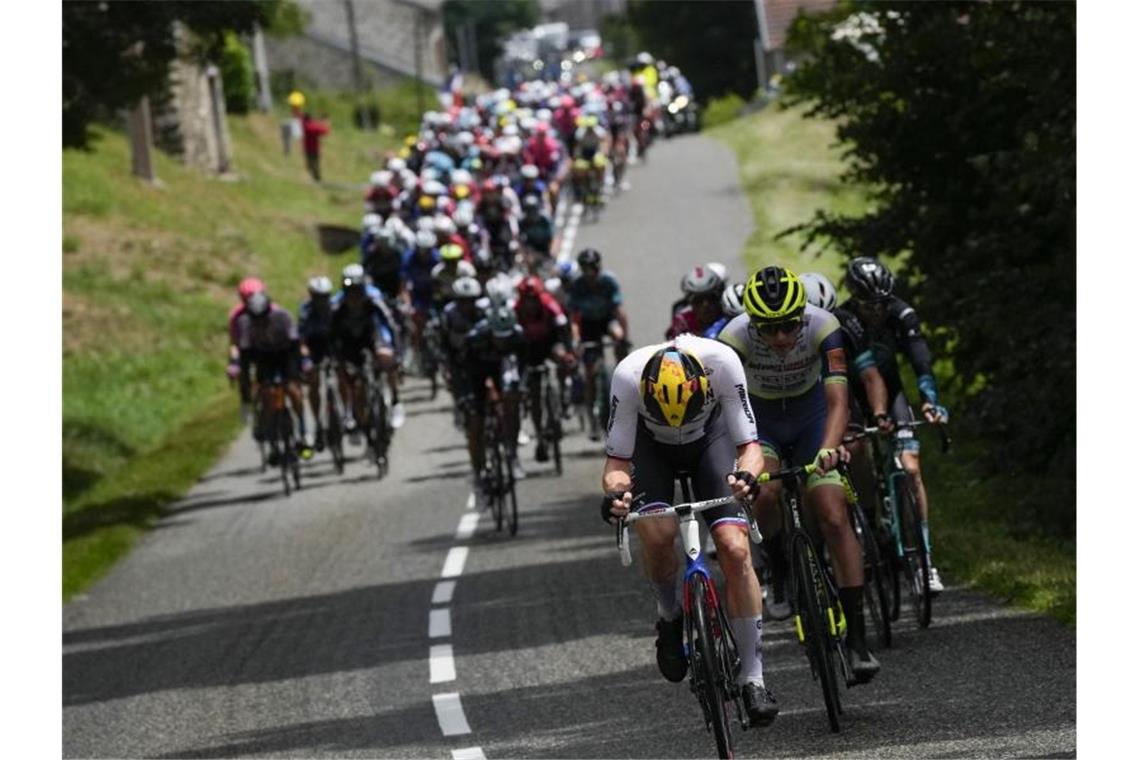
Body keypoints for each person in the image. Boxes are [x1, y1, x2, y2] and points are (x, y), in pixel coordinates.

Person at [600, 336, 779, 727]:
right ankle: (669, 615)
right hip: (651, 450)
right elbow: (616, 462)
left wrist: (748, 476)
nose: (676, 419)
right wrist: (616, 495)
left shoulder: (723, 363)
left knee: (734, 548)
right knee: (659, 536)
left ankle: (754, 678)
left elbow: (750, 445)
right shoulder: (628, 376)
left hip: (710, 441)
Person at [718, 265, 881, 682]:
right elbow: (727, 411)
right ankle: (779, 570)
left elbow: (839, 399)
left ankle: (858, 638)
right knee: (766, 494)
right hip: (763, 423)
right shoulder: (732, 340)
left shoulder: (824, 326)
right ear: (753, 323)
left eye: (790, 326)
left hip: (813, 418)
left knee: (832, 513)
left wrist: (829, 449)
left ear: (803, 317)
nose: (781, 338)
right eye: (769, 329)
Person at [837, 257, 949, 593]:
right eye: (869, 305)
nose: (876, 311)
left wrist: (929, 399)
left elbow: (920, 359)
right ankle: (869, 526)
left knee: (912, 469)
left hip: (893, 389)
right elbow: (866, 375)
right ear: (855, 299)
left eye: (881, 303)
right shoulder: (843, 320)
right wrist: (876, 414)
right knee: (857, 453)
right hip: (853, 395)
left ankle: (926, 561)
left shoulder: (901, 313)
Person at [456, 304, 529, 496]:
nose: (503, 342)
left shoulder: (518, 337)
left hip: (502, 367)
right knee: (476, 421)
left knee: (512, 402)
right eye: (499, 337)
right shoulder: (475, 338)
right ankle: (478, 472)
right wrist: (464, 396)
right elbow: (462, 370)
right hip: (477, 371)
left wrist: (522, 388)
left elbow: (523, 367)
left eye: (506, 337)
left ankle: (512, 453)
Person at [331, 264, 405, 447]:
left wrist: (397, 352)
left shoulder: (373, 299)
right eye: (350, 291)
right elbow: (331, 334)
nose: (354, 296)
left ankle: (395, 401)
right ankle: (352, 413)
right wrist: (335, 356)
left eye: (358, 290)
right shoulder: (337, 306)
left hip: (371, 338)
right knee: (346, 376)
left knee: (386, 357)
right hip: (349, 343)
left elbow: (390, 324)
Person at [236, 290, 311, 464]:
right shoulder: (246, 323)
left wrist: (300, 371)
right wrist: (246, 388)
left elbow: (295, 345)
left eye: (263, 317)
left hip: (286, 354)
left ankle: (303, 431)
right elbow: (245, 358)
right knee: (268, 393)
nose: (260, 321)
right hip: (263, 357)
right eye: (256, 318)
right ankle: (271, 435)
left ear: (269, 310)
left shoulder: (282, 317)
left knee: (293, 390)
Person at [566, 248, 631, 440]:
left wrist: (623, 337)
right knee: (590, 371)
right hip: (588, 325)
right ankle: (592, 418)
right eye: (586, 269)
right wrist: (576, 339)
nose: (590, 273)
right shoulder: (577, 286)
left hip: (606, 319)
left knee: (618, 336)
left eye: (592, 268)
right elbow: (573, 319)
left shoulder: (608, 281)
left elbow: (620, 312)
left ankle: (624, 373)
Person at [514, 276, 575, 463]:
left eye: (534, 298)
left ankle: (564, 389)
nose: (530, 303)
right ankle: (540, 436)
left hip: (550, 343)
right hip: (529, 349)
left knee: (561, 356)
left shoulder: (549, 304)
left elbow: (563, 328)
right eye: (527, 299)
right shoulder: (515, 310)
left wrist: (568, 352)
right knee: (534, 395)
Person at [298, 276, 335, 451]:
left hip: (333, 345)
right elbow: (302, 340)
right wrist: (306, 360)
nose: (322, 301)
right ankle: (319, 423)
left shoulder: (335, 307)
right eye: (318, 297)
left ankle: (349, 414)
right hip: (315, 348)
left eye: (325, 296)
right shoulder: (305, 311)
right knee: (313, 383)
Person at [667, 265, 726, 339]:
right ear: (690, 301)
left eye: (710, 298)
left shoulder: (729, 317)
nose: (705, 305)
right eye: (698, 300)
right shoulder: (683, 322)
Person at [302, 112, 330, 182]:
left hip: (308, 149)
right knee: (315, 165)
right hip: (313, 149)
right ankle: (316, 179)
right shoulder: (311, 126)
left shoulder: (304, 124)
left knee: (310, 165)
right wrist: (326, 124)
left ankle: (314, 179)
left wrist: (321, 122)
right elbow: (325, 131)